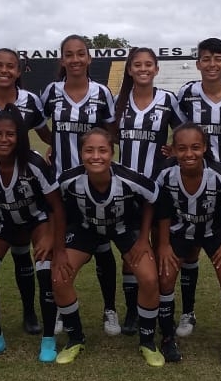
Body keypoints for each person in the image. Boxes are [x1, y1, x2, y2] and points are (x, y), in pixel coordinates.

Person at [0, 107, 68, 361]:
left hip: (36, 220)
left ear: (19, 136)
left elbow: (56, 206)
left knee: (44, 270)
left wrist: (53, 239)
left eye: (10, 134)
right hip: (1, 221)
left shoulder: (34, 162)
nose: (4, 139)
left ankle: (49, 339)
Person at [54, 128, 161, 366]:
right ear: (81, 153)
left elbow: (152, 199)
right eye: (89, 150)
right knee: (59, 278)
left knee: (150, 279)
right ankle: (75, 339)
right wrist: (59, 248)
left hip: (124, 228)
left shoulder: (129, 178)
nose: (96, 156)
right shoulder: (68, 180)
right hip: (86, 228)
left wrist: (144, 238)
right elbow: (57, 209)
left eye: (102, 150)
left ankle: (147, 341)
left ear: (112, 153)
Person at [0, 47, 54, 336]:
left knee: (23, 254)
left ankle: (30, 312)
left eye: (10, 66)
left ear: (19, 71)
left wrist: (58, 147)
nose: (3, 71)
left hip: (23, 184)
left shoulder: (30, 101)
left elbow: (44, 133)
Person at [41, 35, 120, 337]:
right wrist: (53, 143)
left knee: (102, 247)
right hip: (63, 186)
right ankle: (63, 308)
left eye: (80, 54)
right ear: (62, 60)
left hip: (94, 182)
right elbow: (38, 123)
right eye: (69, 55)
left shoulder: (101, 93)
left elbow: (110, 131)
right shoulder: (52, 91)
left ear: (89, 59)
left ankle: (109, 308)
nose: (75, 59)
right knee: (65, 243)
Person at [174, 38, 221, 338]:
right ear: (198, 64)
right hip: (194, 179)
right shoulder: (187, 94)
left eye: (218, 58)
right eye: (206, 59)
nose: (212, 64)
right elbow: (180, 131)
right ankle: (188, 312)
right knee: (190, 249)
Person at [155, 124, 221, 365]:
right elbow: (161, 210)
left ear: (204, 147)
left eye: (195, 147)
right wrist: (162, 245)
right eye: (181, 148)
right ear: (173, 150)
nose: (189, 154)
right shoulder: (165, 172)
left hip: (214, 232)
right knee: (165, 277)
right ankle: (167, 337)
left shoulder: (219, 174)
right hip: (180, 231)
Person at [113, 46, 183, 335]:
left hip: (158, 186)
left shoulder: (167, 100)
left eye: (148, 64)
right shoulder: (120, 102)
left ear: (156, 69)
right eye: (137, 65)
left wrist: (172, 149)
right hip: (127, 189)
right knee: (131, 253)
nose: (143, 69)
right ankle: (132, 310)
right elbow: (106, 137)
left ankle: (164, 308)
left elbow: (184, 132)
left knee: (159, 246)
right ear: (130, 70)